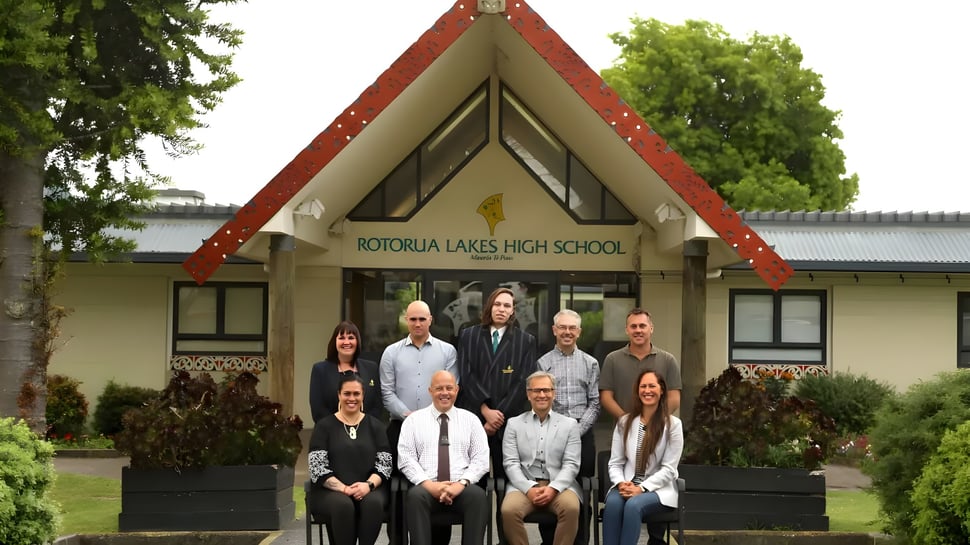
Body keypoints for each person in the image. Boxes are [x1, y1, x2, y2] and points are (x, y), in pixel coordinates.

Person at [380, 300, 457, 545]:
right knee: (398, 488)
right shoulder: (391, 352)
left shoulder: (447, 351)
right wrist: (409, 416)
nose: (417, 323)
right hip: (400, 427)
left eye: (422, 319)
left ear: (430, 320)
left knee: (437, 482)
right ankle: (397, 540)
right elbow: (386, 392)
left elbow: (449, 390)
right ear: (406, 320)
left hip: (438, 429)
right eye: (413, 319)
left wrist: (427, 418)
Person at [397, 370, 490, 545]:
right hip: (427, 487)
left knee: (477, 497)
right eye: (439, 388)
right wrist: (429, 485)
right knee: (415, 496)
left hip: (461, 487)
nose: (445, 393)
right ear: (430, 391)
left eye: (449, 388)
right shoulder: (414, 421)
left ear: (457, 390)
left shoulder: (471, 420)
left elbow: (481, 459)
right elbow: (406, 458)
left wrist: (460, 484)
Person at [456, 286, 537, 479]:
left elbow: (523, 382)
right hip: (474, 418)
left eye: (506, 306)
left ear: (513, 311)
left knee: (506, 481)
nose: (501, 309)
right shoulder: (469, 335)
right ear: (489, 307)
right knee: (473, 480)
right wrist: (485, 410)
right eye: (497, 304)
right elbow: (466, 375)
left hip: (507, 422)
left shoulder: (525, 341)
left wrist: (497, 417)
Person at [307, 375, 392, 545]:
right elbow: (317, 468)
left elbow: (385, 465)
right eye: (347, 393)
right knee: (343, 505)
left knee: (373, 503)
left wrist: (367, 485)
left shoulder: (376, 426)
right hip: (330, 491)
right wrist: (344, 488)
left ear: (363, 395)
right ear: (339, 395)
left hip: (370, 488)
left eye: (356, 394)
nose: (351, 398)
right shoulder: (324, 426)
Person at [500, 371, 582, 545]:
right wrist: (529, 488)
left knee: (571, 508)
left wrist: (553, 488)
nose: (542, 395)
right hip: (524, 485)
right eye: (536, 390)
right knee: (509, 510)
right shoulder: (514, 424)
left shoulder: (570, 425)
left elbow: (571, 464)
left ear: (554, 393)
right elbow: (510, 463)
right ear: (528, 394)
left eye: (547, 390)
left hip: (559, 486)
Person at [602, 370, 683, 545]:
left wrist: (642, 488)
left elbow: (669, 469)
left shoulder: (673, 425)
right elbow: (615, 463)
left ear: (661, 390)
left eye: (652, 386)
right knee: (613, 505)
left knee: (633, 505)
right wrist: (621, 483)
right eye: (643, 386)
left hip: (658, 489)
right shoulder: (624, 422)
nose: (647, 390)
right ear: (637, 391)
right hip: (627, 484)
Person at [537, 309, 600, 477]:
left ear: (579, 332)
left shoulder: (590, 363)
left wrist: (577, 431)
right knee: (552, 480)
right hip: (552, 432)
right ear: (554, 330)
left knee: (584, 481)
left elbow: (595, 402)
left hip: (583, 432)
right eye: (562, 327)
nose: (567, 332)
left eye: (572, 328)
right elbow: (540, 401)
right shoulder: (543, 363)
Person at [599, 309, 682, 419]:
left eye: (642, 326)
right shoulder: (613, 359)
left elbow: (674, 398)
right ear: (627, 330)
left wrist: (654, 421)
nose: (638, 330)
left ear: (651, 328)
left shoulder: (667, 360)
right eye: (633, 326)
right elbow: (606, 397)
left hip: (658, 427)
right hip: (623, 427)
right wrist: (626, 421)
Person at [309, 321, 381, 424]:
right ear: (334, 342)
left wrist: (362, 427)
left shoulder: (371, 368)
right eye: (341, 338)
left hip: (367, 431)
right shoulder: (320, 370)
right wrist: (342, 428)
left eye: (351, 338)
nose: (346, 342)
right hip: (330, 431)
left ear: (357, 341)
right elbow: (318, 410)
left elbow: (377, 405)